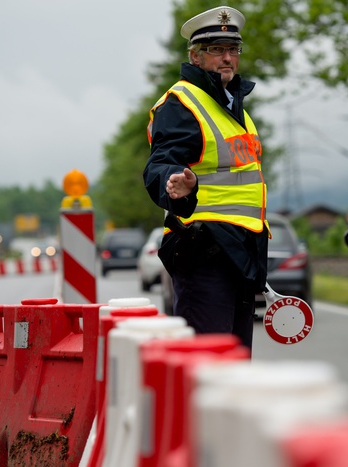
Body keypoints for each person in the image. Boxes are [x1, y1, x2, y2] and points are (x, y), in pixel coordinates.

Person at [143, 5, 268, 353]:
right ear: (196, 57)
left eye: (233, 49)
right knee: (210, 364)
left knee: (235, 366)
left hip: (240, 253)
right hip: (205, 254)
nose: (227, 58)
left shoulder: (232, 105)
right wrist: (176, 186)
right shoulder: (181, 103)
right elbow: (161, 163)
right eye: (216, 50)